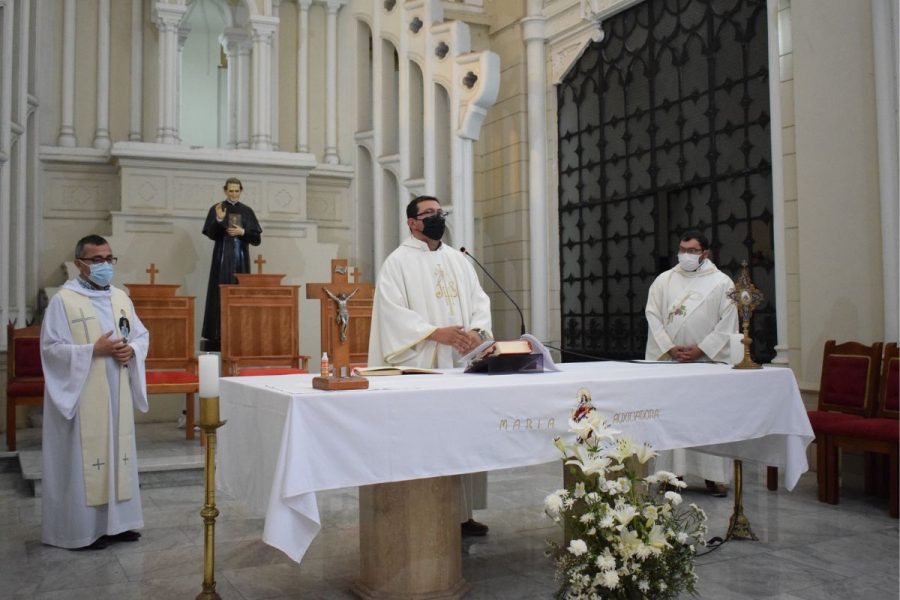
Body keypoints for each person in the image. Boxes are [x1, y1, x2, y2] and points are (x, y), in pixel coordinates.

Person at [368, 195, 493, 535]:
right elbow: (393, 315)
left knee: (463, 439)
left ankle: (463, 515)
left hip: (461, 365)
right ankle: (425, 514)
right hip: (424, 369)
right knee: (430, 441)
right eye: (429, 213)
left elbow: (479, 301)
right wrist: (436, 333)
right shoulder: (397, 263)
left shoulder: (458, 259)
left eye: (440, 212)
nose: (437, 217)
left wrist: (476, 332)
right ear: (412, 222)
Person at [40, 234, 150, 549]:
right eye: (96, 260)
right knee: (86, 460)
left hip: (116, 391)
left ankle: (118, 524)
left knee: (118, 453)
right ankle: (83, 530)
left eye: (108, 259)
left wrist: (133, 350)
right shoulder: (64, 300)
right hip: (83, 392)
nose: (104, 265)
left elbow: (141, 335)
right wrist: (93, 350)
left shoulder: (120, 297)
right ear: (79, 264)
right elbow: (51, 349)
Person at [645, 230, 738, 497]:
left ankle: (714, 476)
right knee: (671, 417)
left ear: (705, 253)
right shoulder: (665, 280)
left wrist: (701, 349)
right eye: (682, 249)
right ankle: (669, 475)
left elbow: (728, 322)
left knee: (708, 418)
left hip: (705, 364)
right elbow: (652, 315)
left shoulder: (722, 283)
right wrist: (669, 347)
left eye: (692, 250)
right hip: (671, 363)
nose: (685, 255)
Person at [200, 177, 262, 351]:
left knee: (239, 292)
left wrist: (243, 232)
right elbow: (211, 233)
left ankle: (240, 330)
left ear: (241, 191)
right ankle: (217, 333)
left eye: (237, 190)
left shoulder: (247, 211)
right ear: (225, 190)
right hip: (221, 257)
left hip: (240, 258)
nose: (233, 194)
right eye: (230, 190)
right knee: (218, 292)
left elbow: (256, 239)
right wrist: (219, 220)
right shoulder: (218, 208)